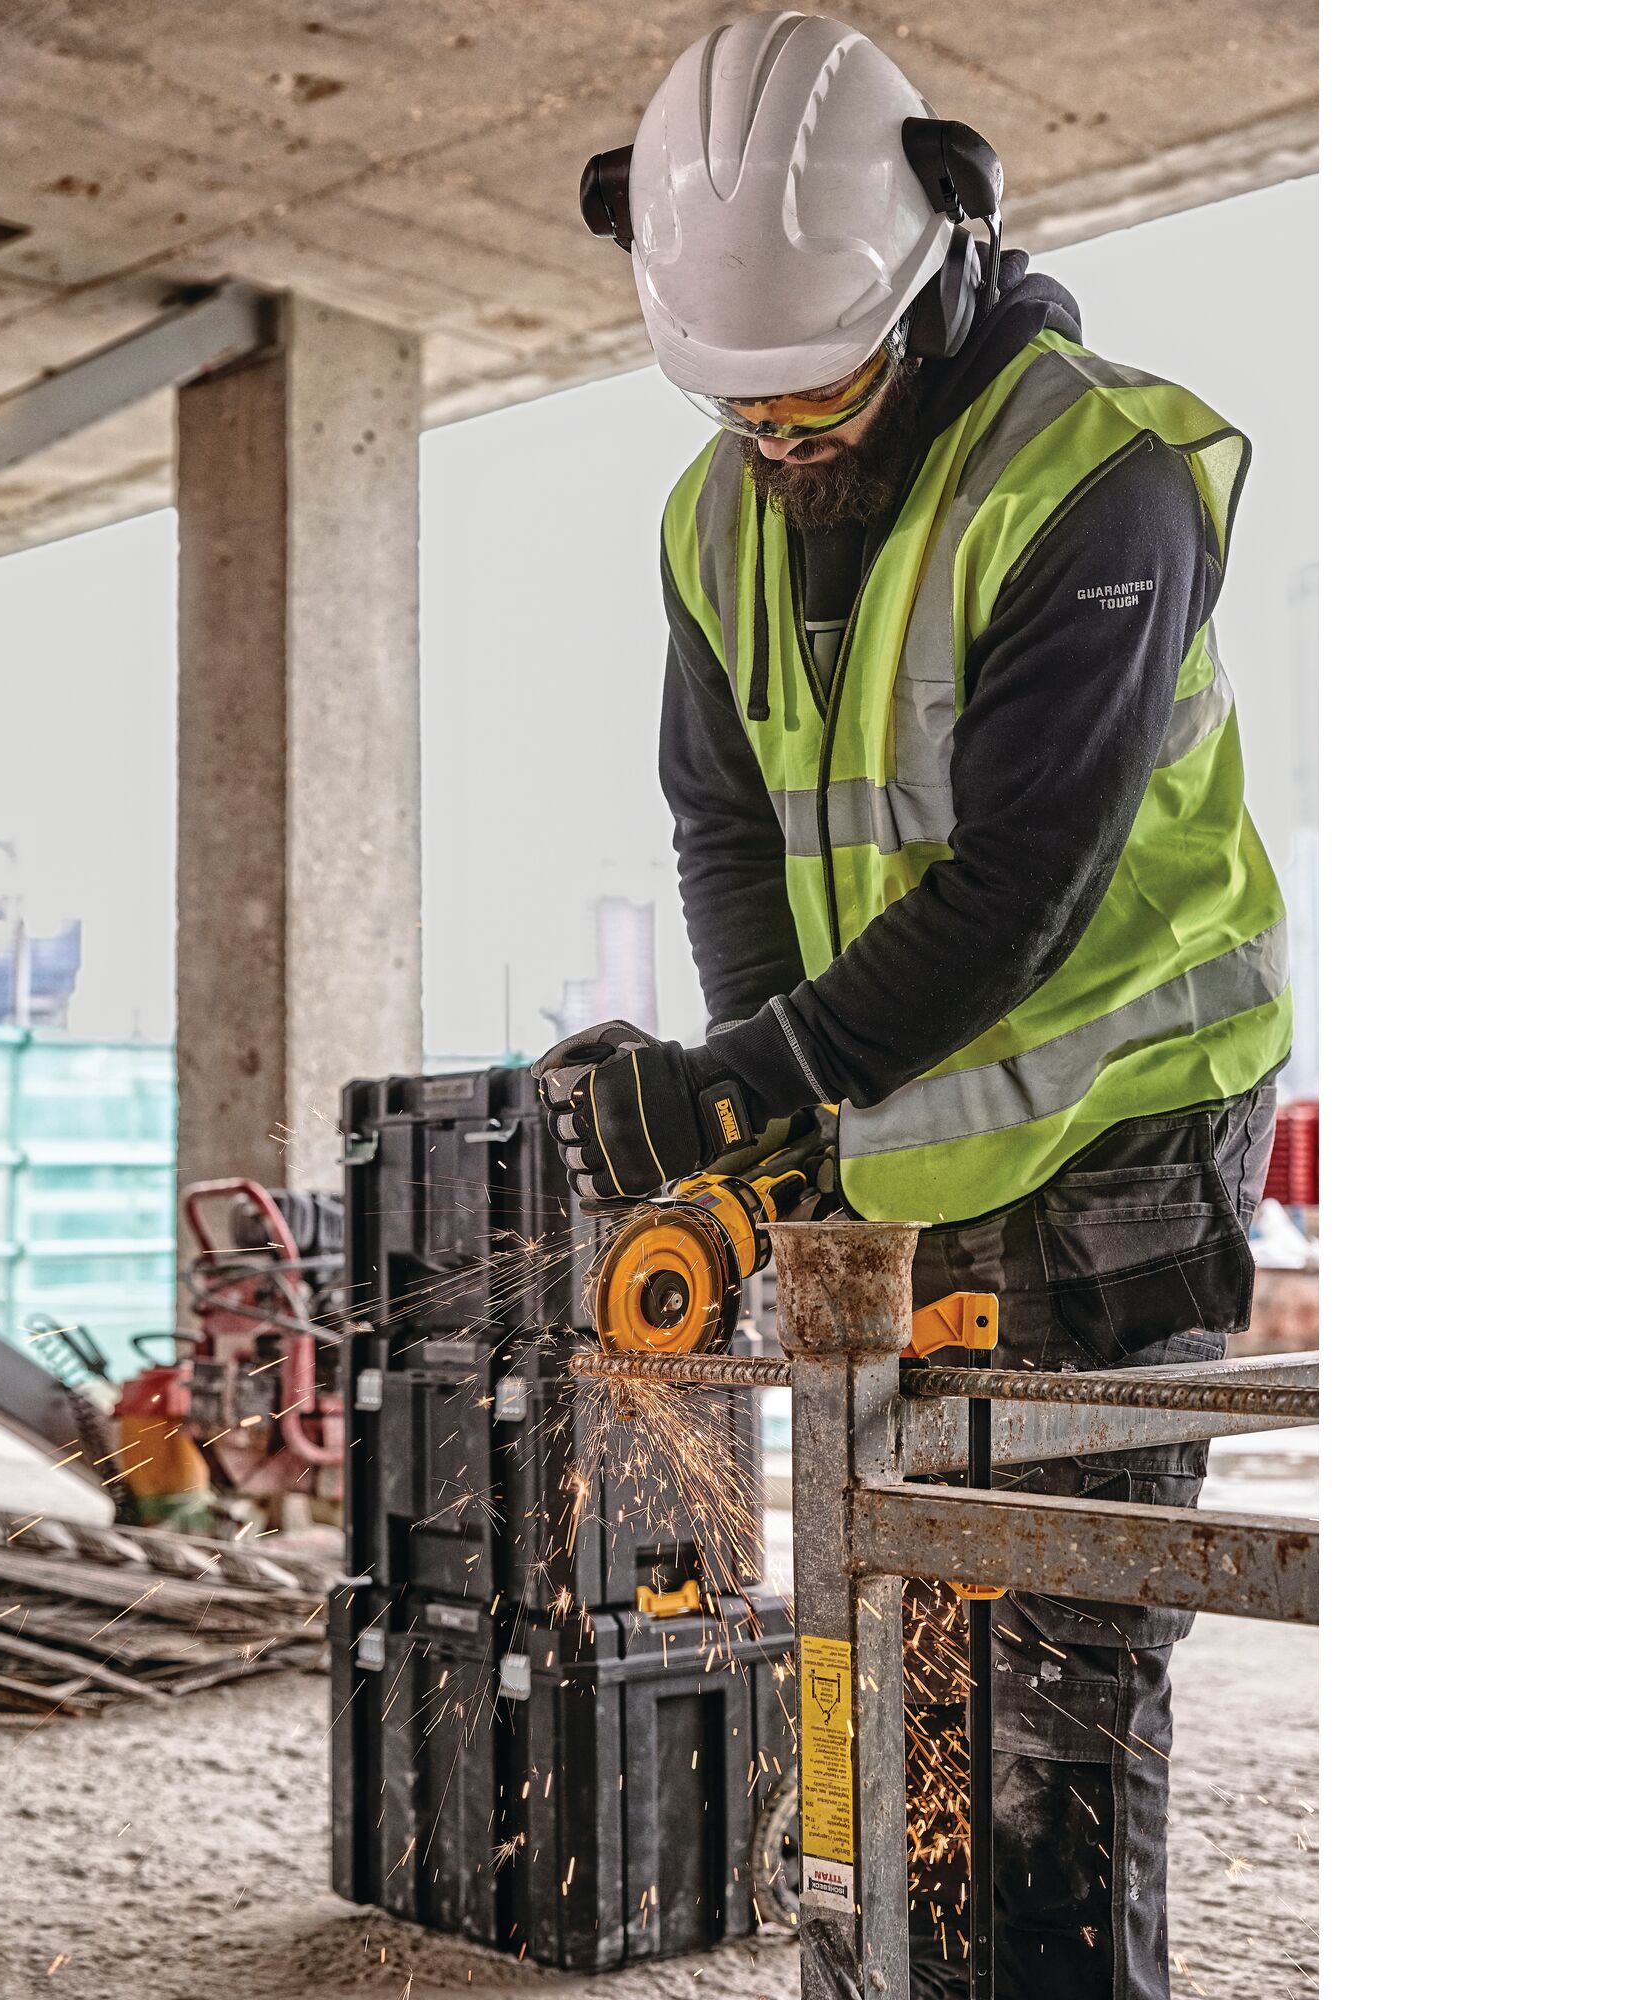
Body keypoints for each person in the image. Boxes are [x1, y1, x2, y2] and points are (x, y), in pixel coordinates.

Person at [534, 15, 1290, 1999]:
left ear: (937, 266)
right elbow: (723, 824)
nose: (780, 437)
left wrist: (745, 1084)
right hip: (908, 1166)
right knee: (892, 1680)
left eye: (820, 389)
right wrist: (763, 1116)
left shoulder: (1098, 476)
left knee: (1045, 1726)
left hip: (1116, 1154)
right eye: (740, 399)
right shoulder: (714, 516)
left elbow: (1018, 884)